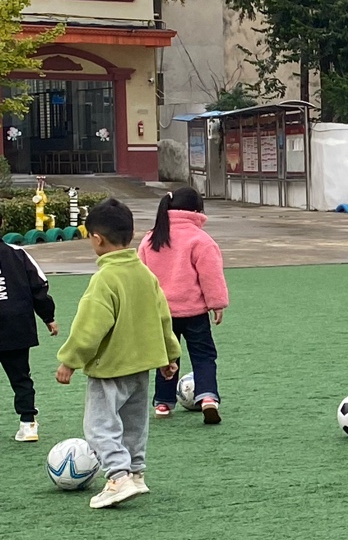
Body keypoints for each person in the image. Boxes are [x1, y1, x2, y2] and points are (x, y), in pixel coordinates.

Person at [55, 198, 181, 509]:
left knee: (99, 425)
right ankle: (136, 472)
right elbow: (163, 317)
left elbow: (89, 326)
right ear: (130, 234)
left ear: (97, 238)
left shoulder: (104, 279)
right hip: (142, 366)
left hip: (110, 367)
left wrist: (70, 360)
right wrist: (170, 355)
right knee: (134, 423)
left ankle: (118, 477)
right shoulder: (145, 275)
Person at [138, 186, 229, 423]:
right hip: (194, 312)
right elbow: (211, 275)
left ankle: (163, 403)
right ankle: (207, 397)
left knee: (167, 358)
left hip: (162, 312)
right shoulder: (200, 239)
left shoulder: (151, 238)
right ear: (197, 211)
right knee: (203, 355)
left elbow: (141, 276)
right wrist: (217, 303)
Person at [0, 236, 57, 442]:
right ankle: (28, 424)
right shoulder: (18, 253)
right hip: (16, 326)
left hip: (15, 327)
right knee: (21, 377)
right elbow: (39, 285)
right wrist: (48, 317)